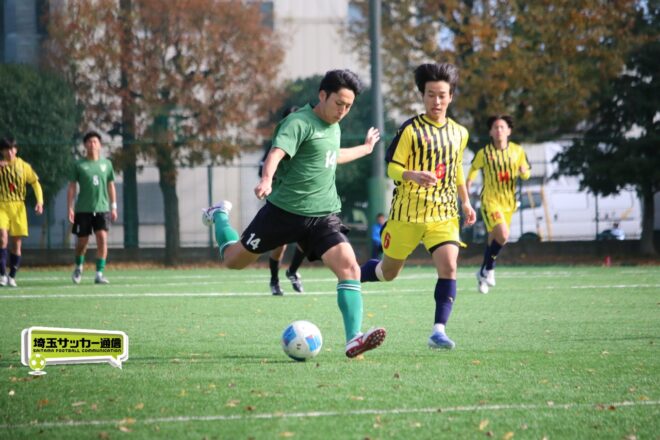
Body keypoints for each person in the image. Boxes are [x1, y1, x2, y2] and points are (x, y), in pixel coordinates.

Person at [202, 69, 386, 358]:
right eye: (339, 103)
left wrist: (365, 149)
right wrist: (266, 180)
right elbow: (276, 153)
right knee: (233, 260)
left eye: (349, 106)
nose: (343, 111)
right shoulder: (298, 122)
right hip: (283, 213)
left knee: (349, 267)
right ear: (322, 95)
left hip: (322, 215)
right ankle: (219, 215)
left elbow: (332, 155)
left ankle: (353, 338)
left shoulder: (334, 125)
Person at [360, 62, 476, 350]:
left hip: (444, 214)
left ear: (451, 97)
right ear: (422, 96)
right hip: (407, 215)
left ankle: (438, 331)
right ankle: (352, 275)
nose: (436, 101)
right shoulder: (410, 130)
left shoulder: (460, 133)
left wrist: (465, 202)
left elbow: (456, 169)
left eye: (442, 95)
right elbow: (392, 168)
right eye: (430, 95)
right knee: (388, 273)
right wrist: (411, 175)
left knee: (449, 266)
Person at [466, 115, 530, 294]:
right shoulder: (484, 153)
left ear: (509, 131)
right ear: (490, 132)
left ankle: (483, 273)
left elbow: (526, 174)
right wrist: (468, 183)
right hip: (490, 200)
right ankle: (490, 269)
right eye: (495, 127)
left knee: (494, 239)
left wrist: (524, 172)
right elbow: (474, 168)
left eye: (502, 127)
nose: (499, 130)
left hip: (508, 202)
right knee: (503, 235)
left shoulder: (518, 151)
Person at [257, 106, 306, 296]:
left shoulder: (307, 144)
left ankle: (292, 271)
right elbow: (264, 170)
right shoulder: (278, 146)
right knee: (280, 245)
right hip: (282, 202)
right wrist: (270, 179)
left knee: (307, 239)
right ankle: (274, 281)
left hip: (303, 203)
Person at [67, 131, 118, 285]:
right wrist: (70, 207)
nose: (92, 144)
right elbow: (72, 187)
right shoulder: (79, 165)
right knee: (82, 242)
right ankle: (79, 267)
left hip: (102, 209)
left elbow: (111, 185)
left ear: (100, 145)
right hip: (83, 210)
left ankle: (99, 274)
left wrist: (114, 206)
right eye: (89, 142)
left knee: (102, 239)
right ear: (85, 145)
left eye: (95, 141)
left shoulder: (107, 164)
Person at [0, 137, 43, 287]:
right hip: (2, 206)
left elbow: (35, 183)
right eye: (6, 149)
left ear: (16, 150)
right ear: (2, 151)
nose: (9, 152)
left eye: (12, 149)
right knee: (2, 237)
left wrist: (40, 201)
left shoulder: (24, 166)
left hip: (18, 207)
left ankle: (12, 276)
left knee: (16, 244)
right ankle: (2, 274)